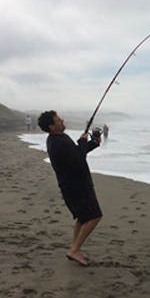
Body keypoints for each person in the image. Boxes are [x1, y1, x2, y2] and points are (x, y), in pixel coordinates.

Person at [37, 110, 102, 266]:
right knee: (94, 216)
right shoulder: (58, 143)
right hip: (76, 187)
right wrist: (83, 142)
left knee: (83, 218)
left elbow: (77, 153)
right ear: (52, 126)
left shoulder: (59, 138)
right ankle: (74, 250)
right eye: (59, 120)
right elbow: (78, 159)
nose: (62, 121)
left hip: (74, 186)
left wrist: (93, 143)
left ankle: (75, 249)